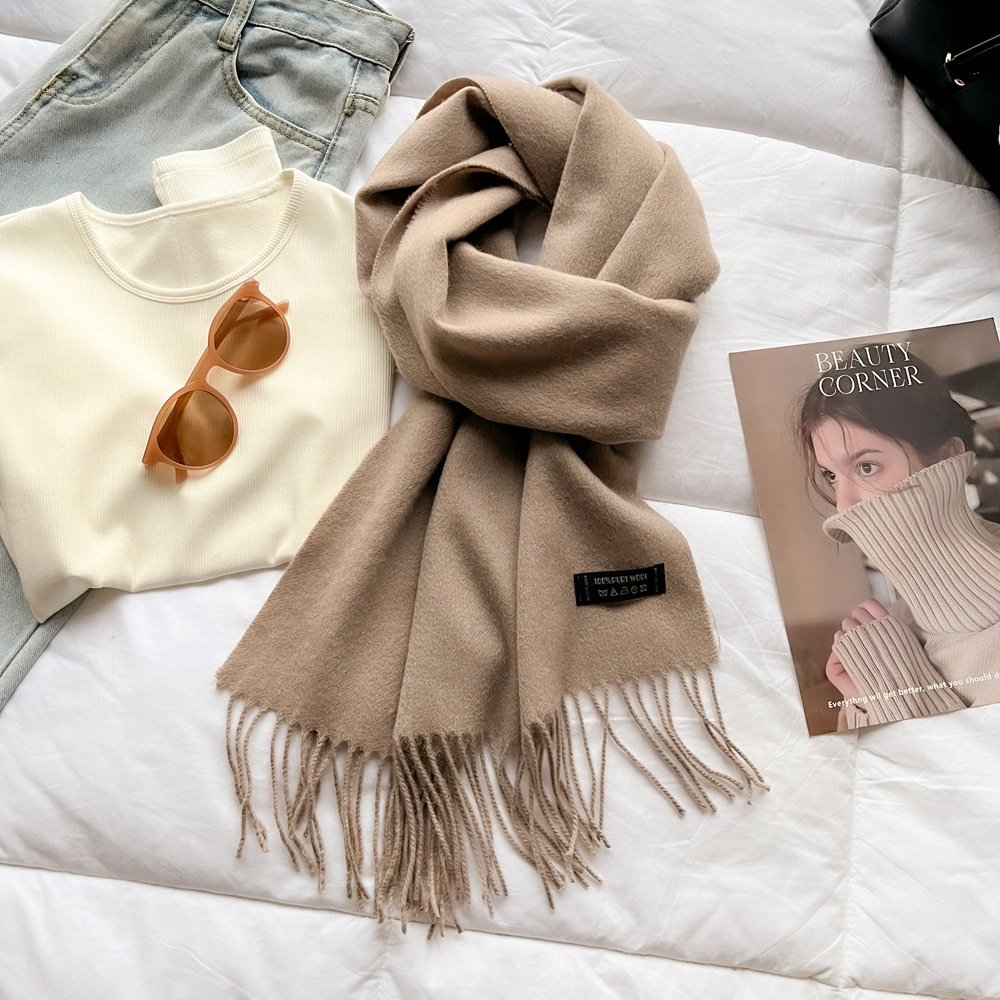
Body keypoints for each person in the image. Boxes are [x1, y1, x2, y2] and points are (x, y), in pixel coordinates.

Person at [795, 344, 1000, 728]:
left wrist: (901, 700)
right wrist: (865, 704)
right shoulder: (878, 646)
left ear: (946, 458)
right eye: (831, 476)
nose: (844, 505)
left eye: (867, 466)